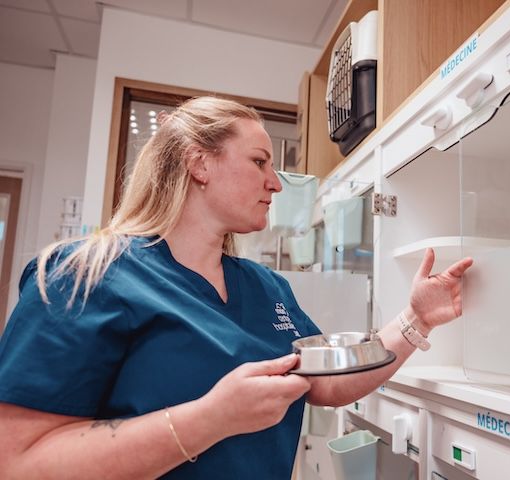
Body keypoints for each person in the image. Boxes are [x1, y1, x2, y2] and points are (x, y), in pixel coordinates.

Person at [0, 96, 473, 479]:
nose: (276, 183)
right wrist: (211, 419)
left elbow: (326, 385)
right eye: (260, 162)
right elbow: (18, 462)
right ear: (200, 164)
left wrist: (416, 318)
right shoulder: (84, 275)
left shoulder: (267, 288)